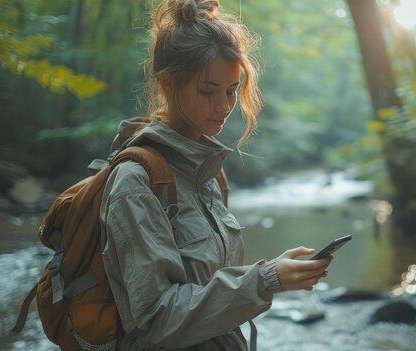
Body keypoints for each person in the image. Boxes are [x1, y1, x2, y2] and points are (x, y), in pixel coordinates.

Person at [99, 0, 333, 350]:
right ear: (167, 84)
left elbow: (211, 285)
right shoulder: (136, 181)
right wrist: (265, 280)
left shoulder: (207, 173)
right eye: (208, 91)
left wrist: (273, 273)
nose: (224, 107)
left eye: (231, 90)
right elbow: (155, 318)